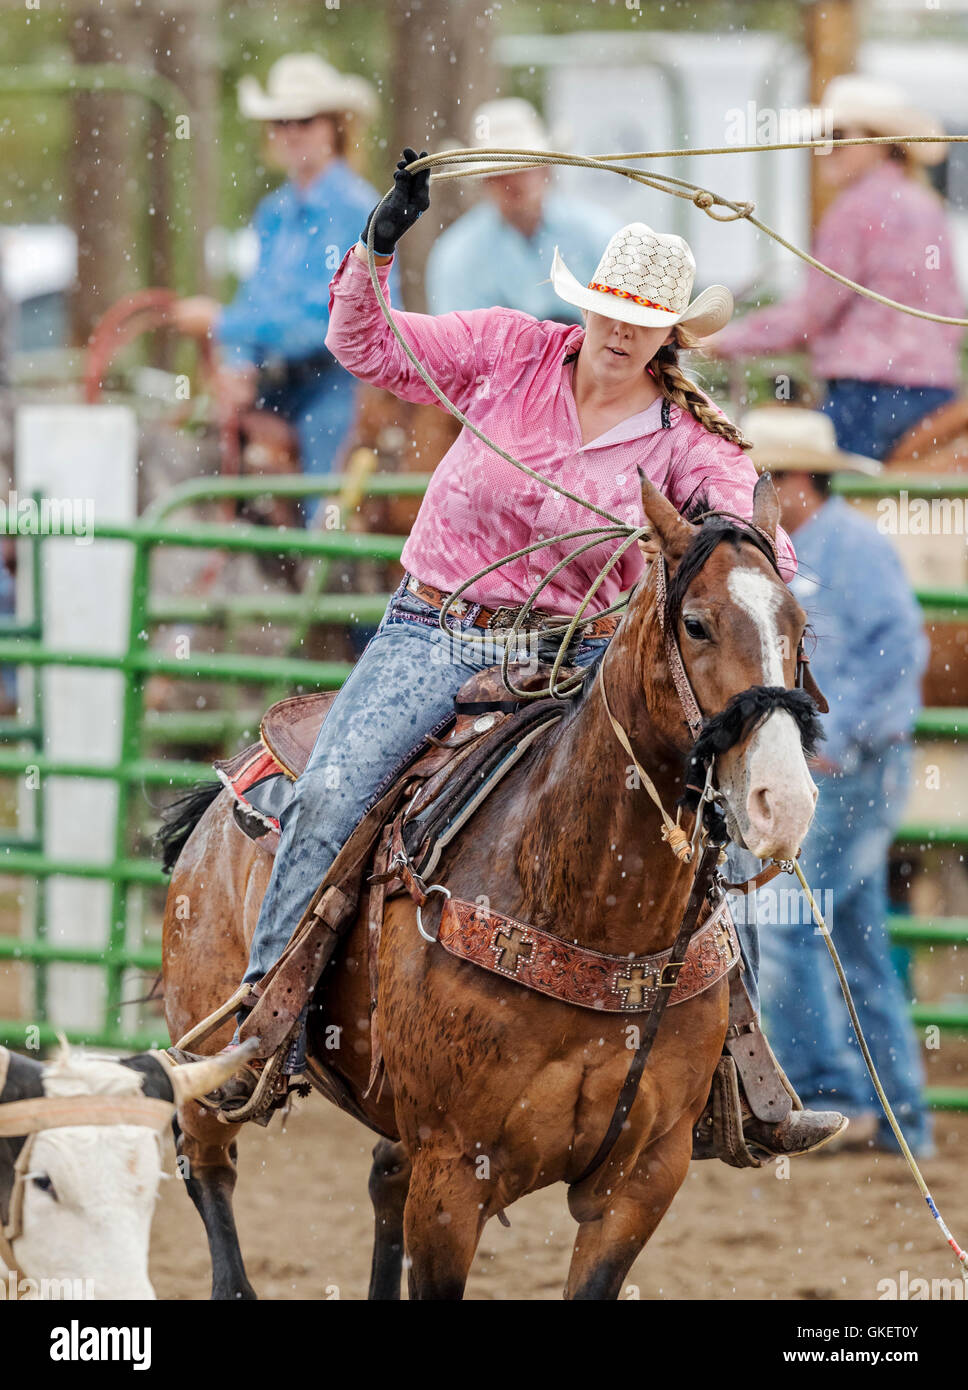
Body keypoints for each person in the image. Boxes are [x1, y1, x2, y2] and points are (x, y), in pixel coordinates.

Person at [177, 152, 846, 1160]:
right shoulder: (507, 350)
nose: (620, 327)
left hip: (572, 656)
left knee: (684, 820)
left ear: (669, 331)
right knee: (334, 792)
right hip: (432, 630)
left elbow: (747, 542)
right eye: (610, 306)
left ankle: (735, 1074)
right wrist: (378, 246)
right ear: (587, 306)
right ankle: (261, 1026)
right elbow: (368, 345)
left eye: (642, 314)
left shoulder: (687, 438)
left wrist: (748, 576)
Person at [740, 405, 931, 1156]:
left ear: (791, 481)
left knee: (788, 920)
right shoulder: (808, 548)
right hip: (843, 768)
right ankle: (899, 1115)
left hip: (852, 769)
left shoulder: (847, 549)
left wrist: (836, 738)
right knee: (853, 940)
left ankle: (833, 1094)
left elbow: (901, 654)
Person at [709, 75, 963, 462]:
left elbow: (813, 312)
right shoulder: (928, 205)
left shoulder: (855, 209)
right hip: (933, 396)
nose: (822, 147)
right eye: (820, 135)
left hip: (868, 399)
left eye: (837, 134)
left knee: (791, 484)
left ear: (877, 143)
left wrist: (725, 340)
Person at [172, 53, 394, 485]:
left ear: (335, 127)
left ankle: (323, 547)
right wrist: (238, 363)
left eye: (304, 120)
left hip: (342, 383)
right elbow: (257, 298)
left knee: (322, 483)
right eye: (280, 123)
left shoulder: (359, 210)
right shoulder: (271, 213)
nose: (291, 133)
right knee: (195, 446)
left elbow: (328, 322)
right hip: (277, 384)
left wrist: (223, 324)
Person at [425, 99, 615, 322]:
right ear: (484, 182)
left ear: (546, 169)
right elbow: (461, 349)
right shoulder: (458, 257)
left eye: (523, 168)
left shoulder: (600, 236)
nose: (511, 181)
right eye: (498, 173)